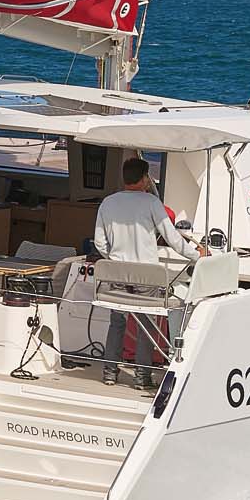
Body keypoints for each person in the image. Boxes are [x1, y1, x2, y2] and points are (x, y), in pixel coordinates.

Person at [92, 157, 201, 388]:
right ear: (144, 179)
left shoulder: (108, 203)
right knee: (146, 324)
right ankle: (142, 377)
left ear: (124, 177)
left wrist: (114, 258)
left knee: (117, 323)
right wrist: (197, 255)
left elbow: (99, 242)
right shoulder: (152, 202)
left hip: (117, 272)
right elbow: (173, 239)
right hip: (146, 275)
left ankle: (110, 373)